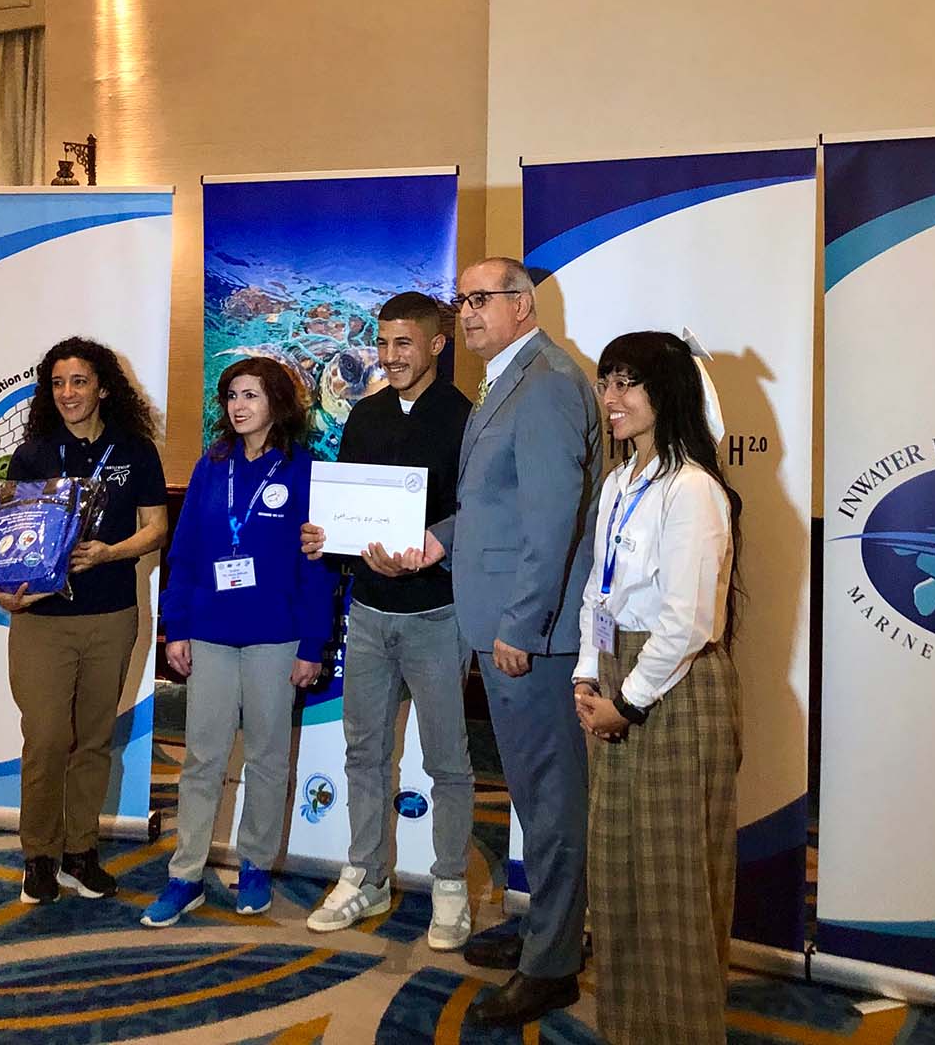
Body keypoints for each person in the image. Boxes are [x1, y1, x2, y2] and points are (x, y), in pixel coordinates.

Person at [316, 256, 599, 1026]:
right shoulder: (512, 379)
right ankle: (547, 929)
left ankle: (553, 965)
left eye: (483, 299)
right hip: (486, 615)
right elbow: (490, 506)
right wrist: (437, 542)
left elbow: (550, 523)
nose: (470, 312)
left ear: (523, 304)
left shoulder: (542, 385)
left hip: (523, 633)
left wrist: (520, 626)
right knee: (537, 801)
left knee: (550, 797)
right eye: (463, 299)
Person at [571, 330, 742, 1044]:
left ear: (665, 393)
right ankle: (630, 1027)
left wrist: (628, 701)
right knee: (618, 873)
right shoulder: (620, 481)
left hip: (674, 692)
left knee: (674, 882)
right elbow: (595, 594)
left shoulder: (693, 489)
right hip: (616, 681)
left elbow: (690, 619)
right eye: (607, 382)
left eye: (627, 383)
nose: (611, 398)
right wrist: (587, 676)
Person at [298, 292, 477, 950]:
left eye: (406, 343)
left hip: (438, 614)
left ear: (436, 344)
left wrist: (433, 544)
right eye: (384, 342)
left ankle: (451, 886)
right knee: (365, 751)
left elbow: (479, 513)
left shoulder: (468, 419)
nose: (392, 356)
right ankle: (366, 875)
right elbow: (348, 508)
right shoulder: (365, 415)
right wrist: (326, 539)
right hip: (369, 612)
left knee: (448, 759)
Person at [142, 356, 335, 926]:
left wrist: (311, 644)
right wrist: (175, 626)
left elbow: (316, 567)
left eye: (250, 394)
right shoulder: (212, 464)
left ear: (276, 401)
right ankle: (186, 875)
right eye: (231, 396)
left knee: (268, 755)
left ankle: (254, 865)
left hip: (276, 634)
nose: (239, 406)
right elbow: (186, 552)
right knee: (202, 755)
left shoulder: (304, 468)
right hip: (211, 629)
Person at [0, 336, 169, 906]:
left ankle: (79, 852)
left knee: (92, 741)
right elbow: (6, 539)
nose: (68, 393)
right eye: (58, 383)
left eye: (79, 382)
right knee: (46, 739)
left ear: (103, 387)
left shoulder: (134, 449)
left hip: (112, 614)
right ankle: (38, 855)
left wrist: (111, 553)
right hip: (42, 620)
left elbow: (156, 528)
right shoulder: (34, 454)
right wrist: (4, 592)